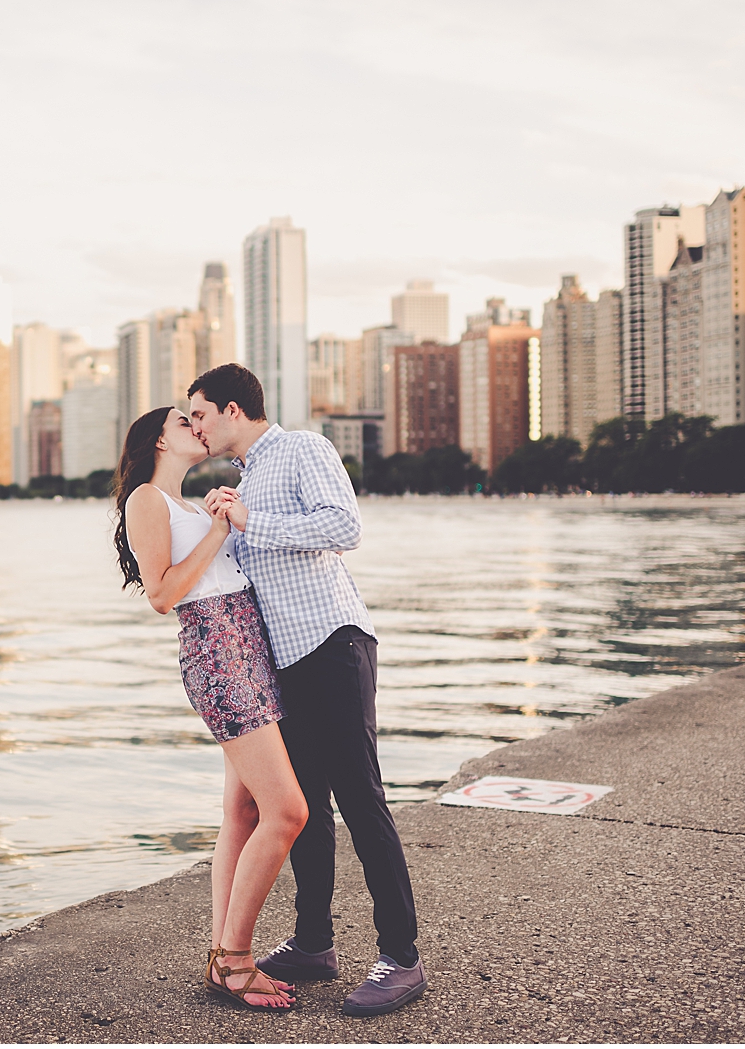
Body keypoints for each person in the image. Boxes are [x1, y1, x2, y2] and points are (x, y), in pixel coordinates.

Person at [186, 362, 423, 1019]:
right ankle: (314, 943)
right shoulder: (244, 482)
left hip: (334, 645)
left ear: (235, 410)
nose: (197, 427)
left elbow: (343, 529)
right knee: (306, 811)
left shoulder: (301, 450)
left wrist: (247, 524)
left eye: (201, 414)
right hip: (284, 665)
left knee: (359, 799)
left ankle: (401, 957)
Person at [115, 403, 309, 1012]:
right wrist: (222, 531)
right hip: (218, 653)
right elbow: (163, 593)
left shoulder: (192, 503)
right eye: (182, 423)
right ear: (158, 442)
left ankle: (223, 955)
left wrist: (223, 518)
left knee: (244, 811)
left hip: (247, 648)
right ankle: (237, 957)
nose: (195, 429)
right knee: (289, 811)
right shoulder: (147, 499)